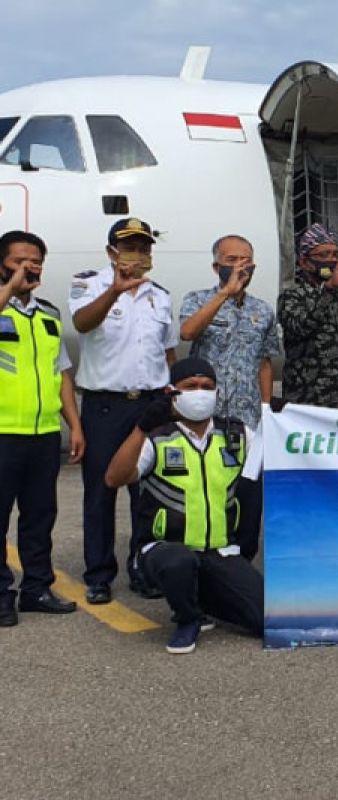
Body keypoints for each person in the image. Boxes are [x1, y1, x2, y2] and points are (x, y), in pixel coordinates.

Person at [104, 357, 264, 654]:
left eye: (207, 387)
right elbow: (114, 478)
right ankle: (187, 618)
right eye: (190, 386)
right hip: (164, 548)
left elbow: (281, 461)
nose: (200, 392)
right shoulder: (158, 438)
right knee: (178, 562)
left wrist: (281, 421)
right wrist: (141, 428)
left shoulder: (237, 435)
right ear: (172, 393)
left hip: (217, 550)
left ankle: (207, 598)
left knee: (265, 618)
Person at [69, 217, 177, 605]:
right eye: (129, 245)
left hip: (150, 404)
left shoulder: (159, 295)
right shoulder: (88, 285)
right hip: (105, 406)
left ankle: (142, 566)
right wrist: (115, 291)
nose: (138, 253)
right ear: (112, 251)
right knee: (101, 491)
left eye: (144, 246)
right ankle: (98, 574)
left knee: (148, 492)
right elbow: (83, 323)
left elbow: (167, 352)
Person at [178, 234, 281, 562]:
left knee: (248, 496)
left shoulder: (262, 311)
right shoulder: (197, 299)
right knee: (207, 491)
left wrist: (266, 408)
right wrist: (224, 295)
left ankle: (242, 560)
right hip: (205, 419)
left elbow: (265, 362)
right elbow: (188, 333)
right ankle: (205, 557)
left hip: (246, 419)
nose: (240, 266)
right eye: (232, 260)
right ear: (216, 266)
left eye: (245, 261)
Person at [0, 231, 82, 626]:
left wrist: (75, 426)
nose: (28, 267)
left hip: (43, 434)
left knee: (39, 517)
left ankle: (35, 588)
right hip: (2, 432)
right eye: (19, 261)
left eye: (34, 261)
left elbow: (62, 372)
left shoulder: (48, 314)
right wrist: (9, 289)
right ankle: (1, 596)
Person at [277, 223, 338, 411]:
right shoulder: (292, 297)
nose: (331, 260)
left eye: (335, 255)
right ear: (305, 262)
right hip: (308, 405)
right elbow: (300, 327)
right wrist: (327, 289)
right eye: (323, 255)